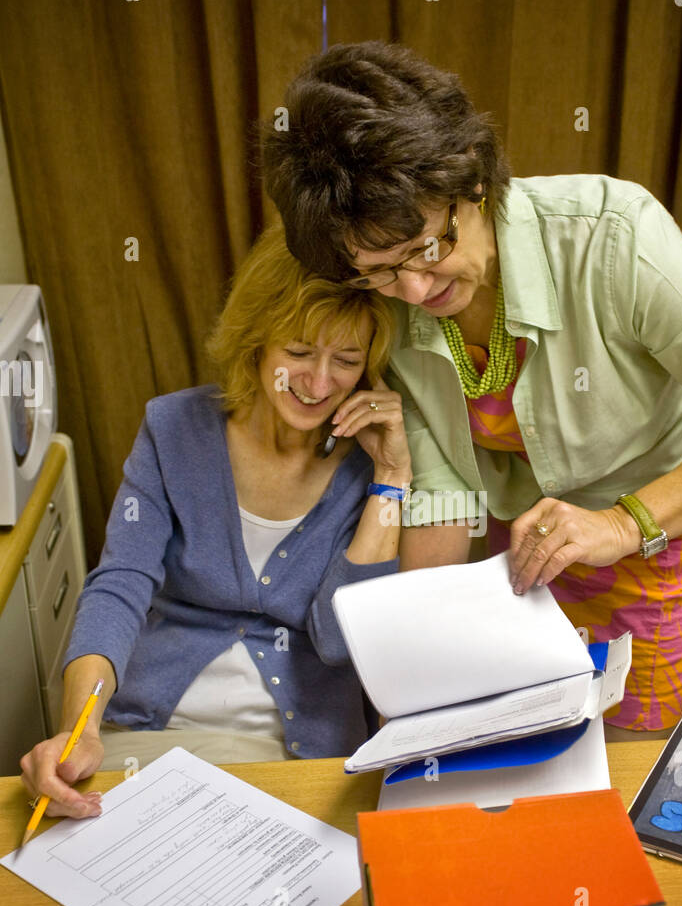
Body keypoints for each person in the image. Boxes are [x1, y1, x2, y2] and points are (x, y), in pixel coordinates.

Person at [259, 40, 682, 739]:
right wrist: (415, 658)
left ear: (470, 181)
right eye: (376, 271)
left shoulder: (612, 235)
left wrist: (621, 525)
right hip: (534, 533)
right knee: (532, 721)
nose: (412, 289)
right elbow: (445, 489)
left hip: (667, 531)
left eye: (425, 248)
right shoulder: (394, 302)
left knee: (628, 742)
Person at [20, 222, 412, 819]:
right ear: (256, 340)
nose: (318, 383)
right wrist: (80, 730)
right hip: (149, 736)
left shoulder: (366, 466)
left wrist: (391, 481)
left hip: (297, 756)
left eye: (347, 361)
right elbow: (119, 587)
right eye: (299, 353)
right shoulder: (173, 430)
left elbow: (339, 643)